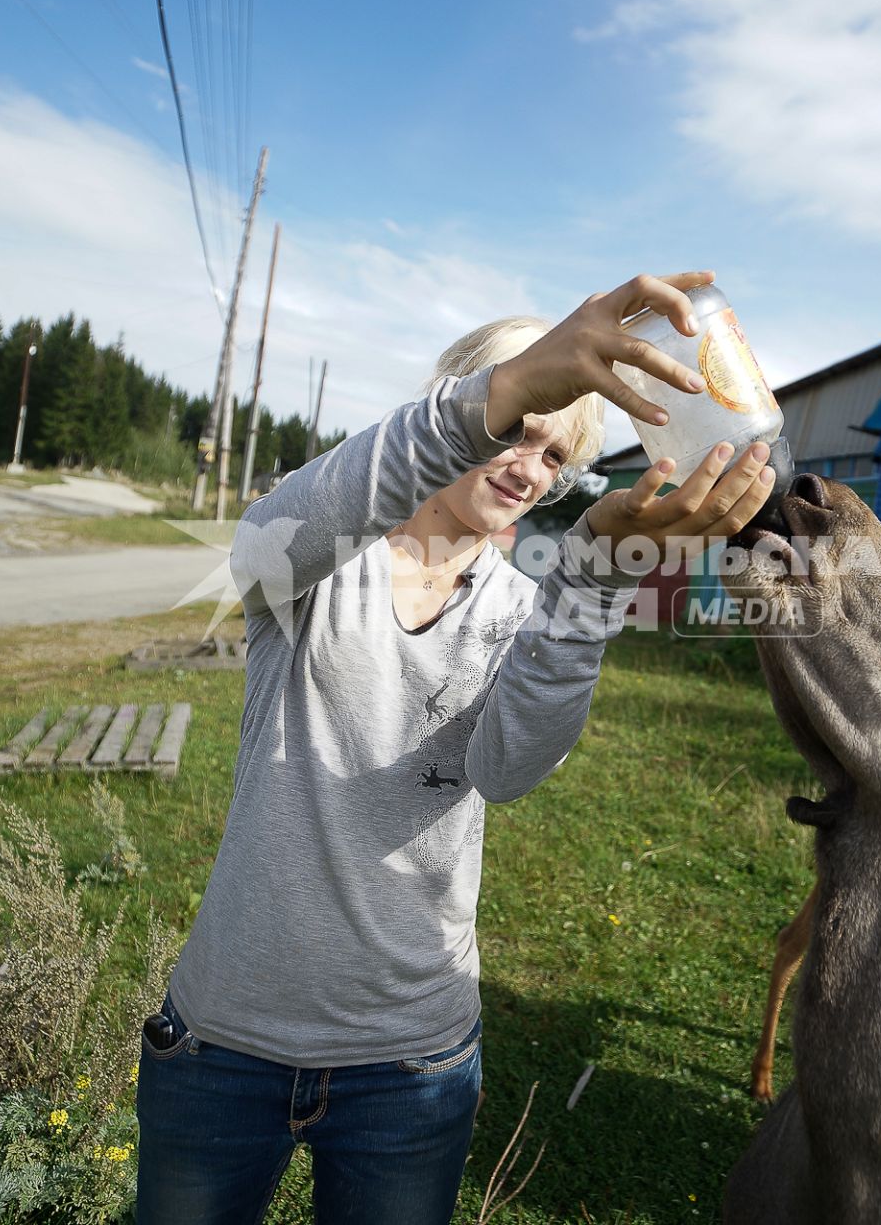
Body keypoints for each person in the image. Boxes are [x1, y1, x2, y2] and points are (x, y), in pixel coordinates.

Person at [135, 271, 776, 1224]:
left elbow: (506, 772)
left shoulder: (525, 610)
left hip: (412, 1064)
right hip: (227, 1041)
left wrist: (596, 578)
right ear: (472, 415)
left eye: (556, 456)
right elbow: (261, 542)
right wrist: (502, 393)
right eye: (519, 432)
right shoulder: (325, 562)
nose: (529, 466)